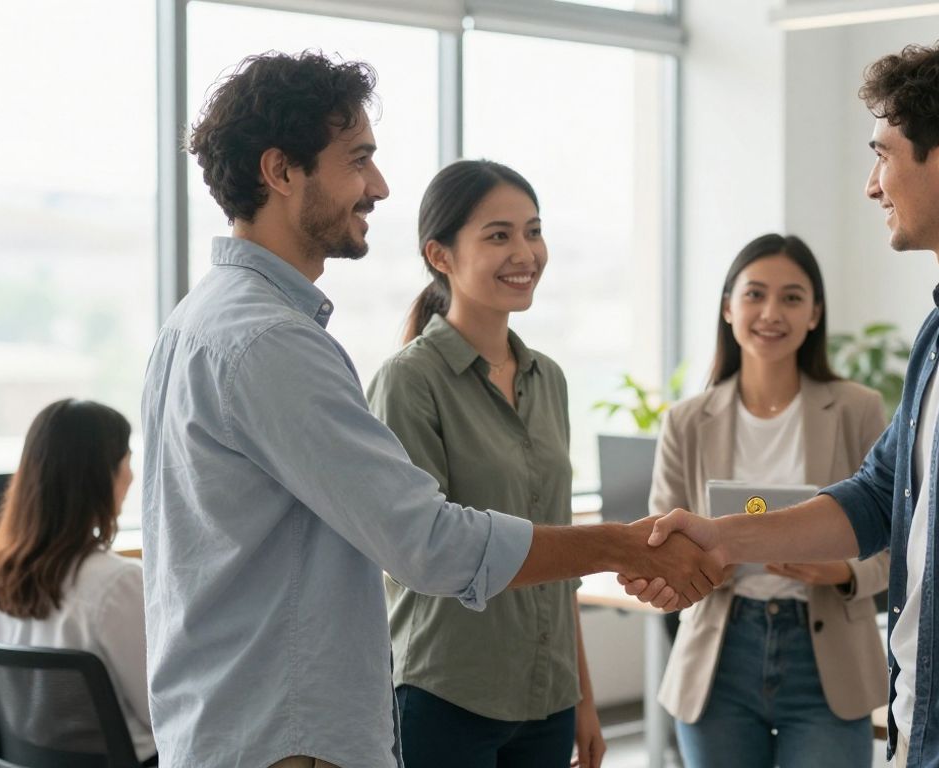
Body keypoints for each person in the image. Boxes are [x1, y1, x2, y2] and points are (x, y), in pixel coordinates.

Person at [142, 51, 719, 768]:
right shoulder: (272, 342)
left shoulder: (201, 323)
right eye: (358, 161)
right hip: (290, 739)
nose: (378, 186)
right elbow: (428, 543)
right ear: (281, 172)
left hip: (244, 729)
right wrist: (618, 545)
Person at [627, 38, 939, 768]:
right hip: (929, 731)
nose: (873, 184)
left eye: (883, 154)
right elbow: (875, 499)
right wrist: (724, 538)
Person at [366, 160, 603, 768]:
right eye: (498, 235)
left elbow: (561, 552)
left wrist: (581, 695)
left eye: (533, 230)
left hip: (547, 693)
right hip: (448, 691)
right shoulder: (410, 380)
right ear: (440, 255)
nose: (524, 252)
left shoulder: (548, 378)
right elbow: (415, 552)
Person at [650, 233, 889, 768]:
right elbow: (658, 547)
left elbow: (901, 538)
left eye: (792, 297)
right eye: (755, 294)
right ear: (728, 308)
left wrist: (845, 573)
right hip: (719, 656)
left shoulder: (858, 410)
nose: (771, 312)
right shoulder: (686, 422)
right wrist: (708, 566)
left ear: (814, 314)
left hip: (827, 658)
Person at [0, 399, 156, 765]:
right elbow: (162, 708)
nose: (130, 476)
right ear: (99, 477)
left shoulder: (1, 574)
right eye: (126, 460)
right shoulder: (117, 585)